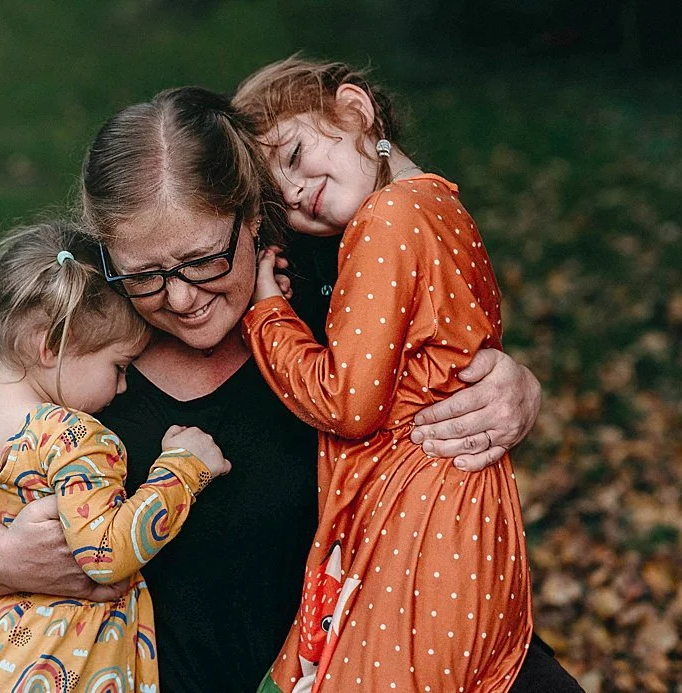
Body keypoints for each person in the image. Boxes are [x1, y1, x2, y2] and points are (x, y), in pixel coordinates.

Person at [0, 86, 583, 693]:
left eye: (204, 259)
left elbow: (447, 330)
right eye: (146, 273)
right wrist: (4, 556)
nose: (183, 297)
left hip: (385, 655)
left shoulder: (323, 295)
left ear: (253, 215)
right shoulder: (76, 337)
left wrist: (512, 383)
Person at [233, 56, 532, 692]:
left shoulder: (384, 218)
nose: (291, 192)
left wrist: (266, 315)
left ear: (355, 111)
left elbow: (348, 401)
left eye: (292, 155)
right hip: (469, 505)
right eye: (277, 194)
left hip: (418, 514)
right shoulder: (441, 204)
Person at [0, 220, 230, 692]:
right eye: (118, 366)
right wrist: (182, 472)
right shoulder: (75, 438)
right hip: (71, 661)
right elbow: (106, 555)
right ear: (51, 347)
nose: (123, 385)